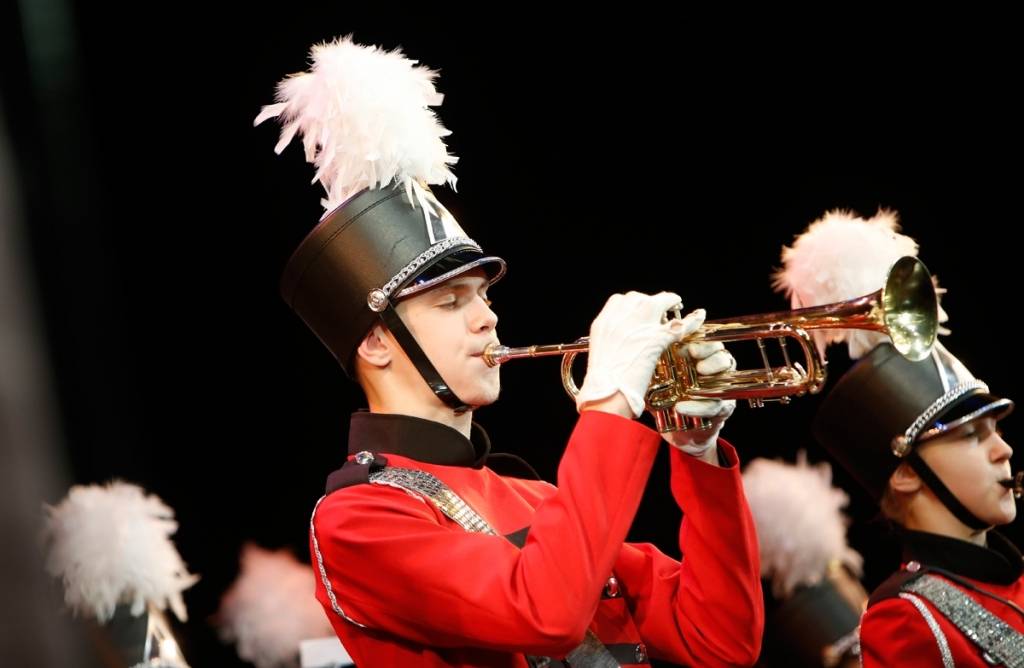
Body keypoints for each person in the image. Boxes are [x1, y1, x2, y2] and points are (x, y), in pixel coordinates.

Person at [257, 36, 763, 667]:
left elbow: (720, 640)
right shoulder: (357, 519)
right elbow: (545, 612)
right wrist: (609, 403)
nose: (487, 317)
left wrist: (696, 451)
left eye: (484, 296)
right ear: (377, 342)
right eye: (450, 303)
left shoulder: (538, 498)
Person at [774, 209, 1023, 666]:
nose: (1003, 450)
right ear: (906, 473)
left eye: (997, 430)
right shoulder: (905, 619)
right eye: (972, 436)